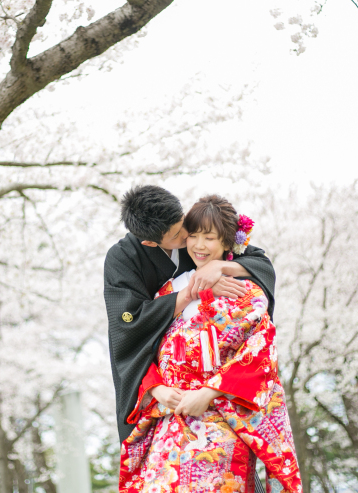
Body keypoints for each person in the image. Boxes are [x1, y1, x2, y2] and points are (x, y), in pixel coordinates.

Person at [118, 195, 301, 493]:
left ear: (228, 241)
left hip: (220, 415)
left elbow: (259, 354)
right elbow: (143, 347)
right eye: (193, 236)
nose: (199, 245)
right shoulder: (168, 291)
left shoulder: (246, 292)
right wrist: (157, 388)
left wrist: (208, 392)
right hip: (170, 418)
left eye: (210, 237)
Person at [104, 186, 276, 444]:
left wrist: (219, 266)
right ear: (150, 242)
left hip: (216, 379)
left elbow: (259, 264)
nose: (188, 237)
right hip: (166, 380)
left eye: (183, 224)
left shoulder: (196, 238)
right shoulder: (122, 259)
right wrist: (194, 290)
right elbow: (128, 325)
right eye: (177, 235)